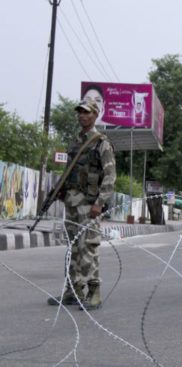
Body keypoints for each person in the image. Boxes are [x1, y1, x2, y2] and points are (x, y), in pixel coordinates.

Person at [47, 101, 116, 310]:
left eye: (86, 113)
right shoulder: (75, 142)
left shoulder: (101, 142)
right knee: (73, 248)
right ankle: (73, 291)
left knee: (88, 247)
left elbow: (110, 176)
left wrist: (100, 203)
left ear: (95, 115)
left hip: (89, 204)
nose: (82, 116)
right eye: (79, 113)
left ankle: (94, 292)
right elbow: (70, 171)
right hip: (72, 202)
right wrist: (61, 189)